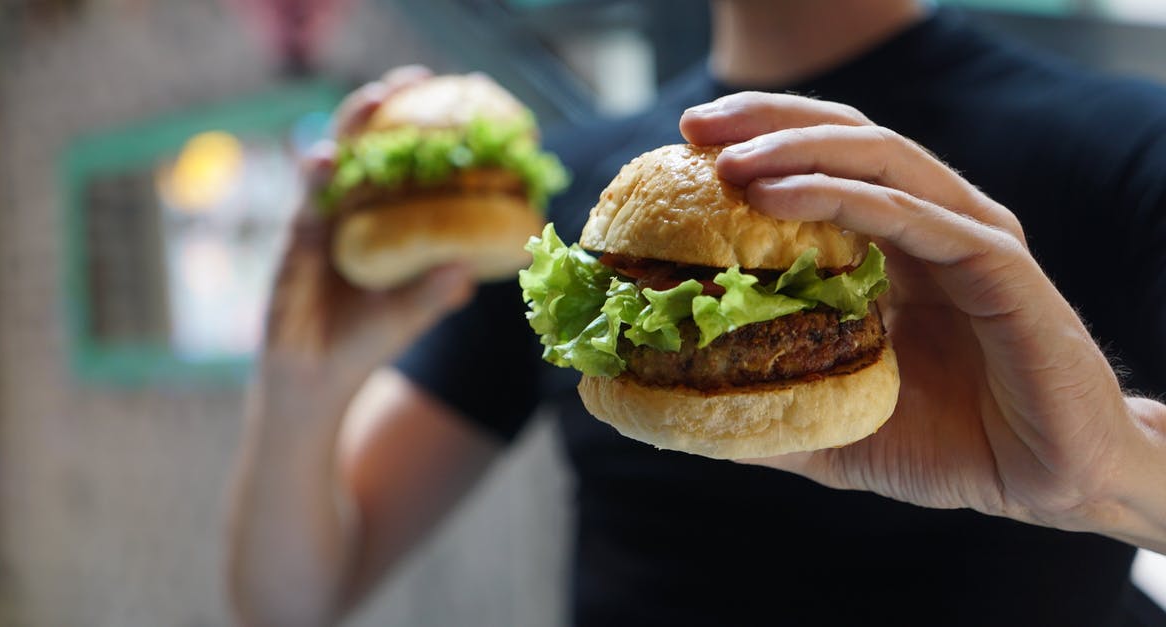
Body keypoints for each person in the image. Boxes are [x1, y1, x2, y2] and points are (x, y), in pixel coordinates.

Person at [227, 1, 1166, 625]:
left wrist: (1110, 476)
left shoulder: (1131, 145)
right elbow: (297, 599)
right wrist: (300, 385)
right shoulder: (568, 194)